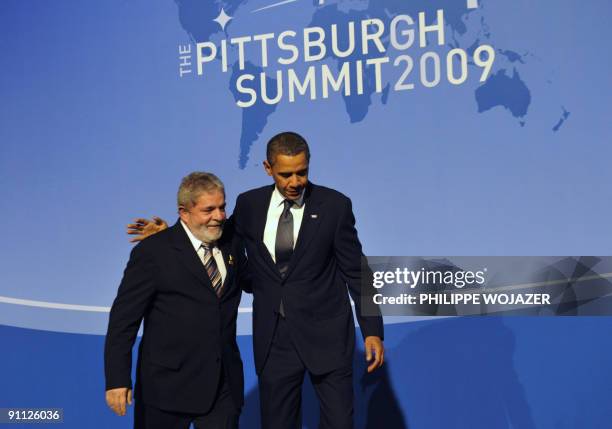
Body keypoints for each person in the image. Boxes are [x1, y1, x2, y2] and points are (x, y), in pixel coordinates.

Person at [129, 132, 384, 429]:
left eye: (302, 172)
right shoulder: (250, 204)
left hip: (327, 337)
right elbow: (216, 238)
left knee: (340, 423)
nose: (295, 182)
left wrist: (372, 330)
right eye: (285, 174)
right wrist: (171, 236)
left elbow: (358, 271)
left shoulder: (335, 206)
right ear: (268, 168)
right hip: (274, 340)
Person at [105, 172, 245, 429]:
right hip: (166, 388)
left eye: (222, 207)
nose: (220, 216)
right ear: (184, 212)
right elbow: (123, 321)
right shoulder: (152, 253)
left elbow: (251, 281)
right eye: (209, 209)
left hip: (223, 386)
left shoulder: (232, 244)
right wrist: (117, 378)